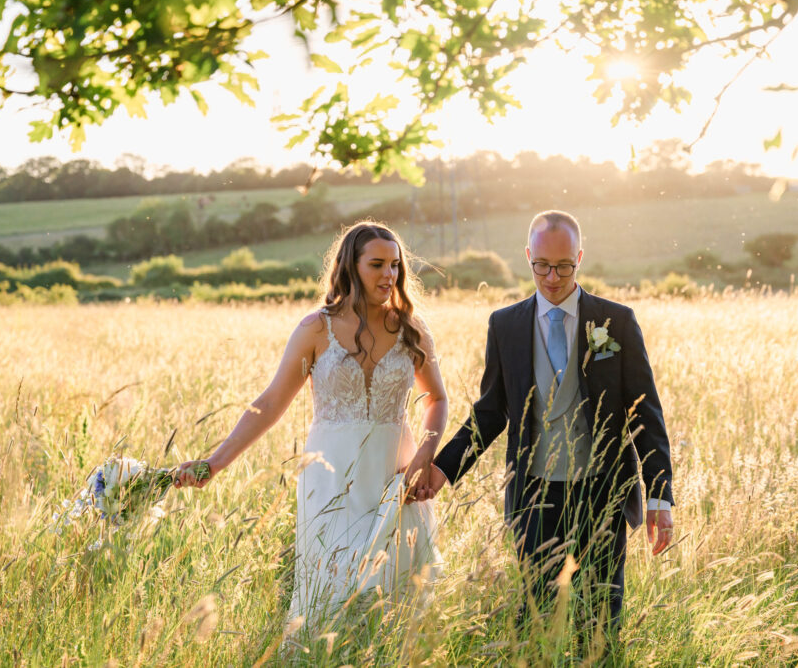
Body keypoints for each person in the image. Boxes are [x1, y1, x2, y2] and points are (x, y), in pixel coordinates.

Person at [412, 210, 675, 638]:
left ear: (580, 258)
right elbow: (491, 411)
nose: (552, 277)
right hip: (534, 496)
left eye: (564, 266)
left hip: (604, 493)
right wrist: (442, 469)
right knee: (536, 620)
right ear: (528, 257)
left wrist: (660, 498)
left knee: (600, 621)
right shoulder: (505, 325)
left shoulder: (616, 321)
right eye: (542, 266)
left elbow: (645, 414)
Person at [174, 221, 446, 631]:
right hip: (330, 481)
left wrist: (425, 457)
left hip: (396, 480)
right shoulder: (316, 329)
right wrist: (214, 464)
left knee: (394, 602)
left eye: (395, 265)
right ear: (349, 267)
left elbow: (438, 400)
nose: (389, 275)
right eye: (377, 265)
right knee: (331, 597)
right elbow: (269, 404)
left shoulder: (412, 327)